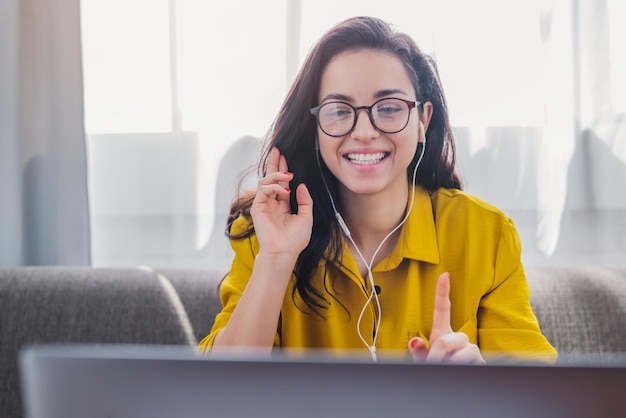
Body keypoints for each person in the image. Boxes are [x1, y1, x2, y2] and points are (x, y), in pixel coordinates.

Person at [199, 16, 557, 364]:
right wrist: (276, 261)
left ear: (422, 121)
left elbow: (541, 397)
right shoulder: (267, 233)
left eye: (388, 108)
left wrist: (475, 386)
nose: (365, 131)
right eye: (340, 110)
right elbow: (217, 393)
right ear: (316, 129)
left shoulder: (485, 234)